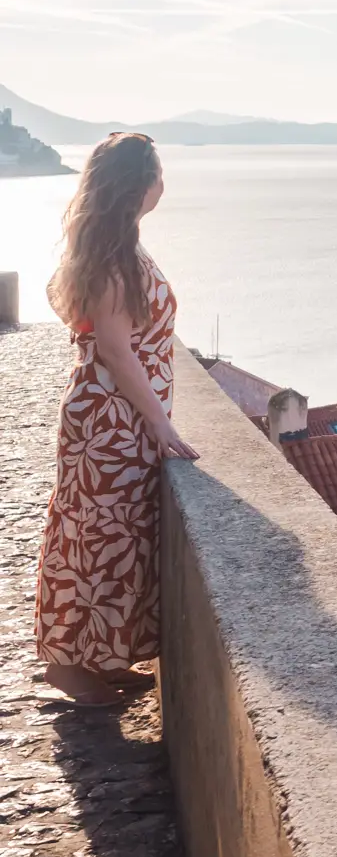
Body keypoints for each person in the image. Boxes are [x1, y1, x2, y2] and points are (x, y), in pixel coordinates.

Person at [34, 132, 198, 705]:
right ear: (140, 184)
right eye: (158, 172)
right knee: (92, 537)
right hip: (112, 420)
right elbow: (115, 349)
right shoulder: (114, 257)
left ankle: (100, 656)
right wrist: (160, 423)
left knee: (114, 538)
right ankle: (67, 667)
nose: (162, 184)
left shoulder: (113, 245)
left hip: (113, 416)